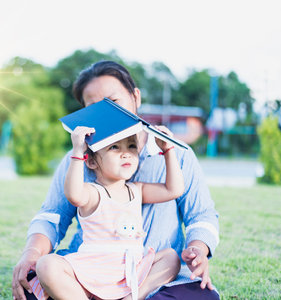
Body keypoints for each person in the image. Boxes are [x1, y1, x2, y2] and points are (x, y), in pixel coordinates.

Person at [12, 61, 220, 300]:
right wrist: (32, 252)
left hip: (150, 275)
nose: (108, 114)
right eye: (96, 108)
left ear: (135, 97)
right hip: (91, 272)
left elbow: (201, 214)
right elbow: (52, 215)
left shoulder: (177, 155)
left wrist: (199, 249)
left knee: (201, 296)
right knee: (34, 284)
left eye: (114, 102)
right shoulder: (80, 159)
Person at [33, 125, 183, 300]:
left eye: (131, 146)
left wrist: (168, 150)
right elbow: (73, 195)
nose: (126, 153)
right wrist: (77, 153)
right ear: (91, 161)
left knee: (171, 258)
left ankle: (133, 297)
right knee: (46, 265)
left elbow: (174, 189)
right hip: (93, 271)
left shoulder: (137, 190)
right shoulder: (93, 192)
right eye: (114, 147)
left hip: (130, 272)